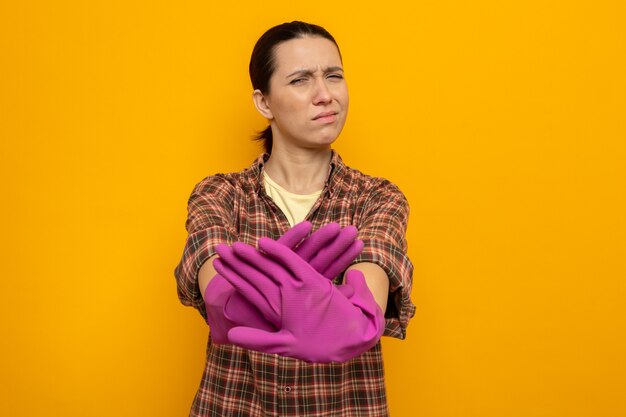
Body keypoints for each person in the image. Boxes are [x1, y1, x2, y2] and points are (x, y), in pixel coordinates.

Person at [175, 21, 415, 417]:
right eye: (301, 80)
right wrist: (234, 304)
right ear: (264, 102)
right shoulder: (220, 195)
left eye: (333, 76)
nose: (325, 95)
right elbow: (215, 288)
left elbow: (368, 297)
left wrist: (351, 319)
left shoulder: (378, 197)